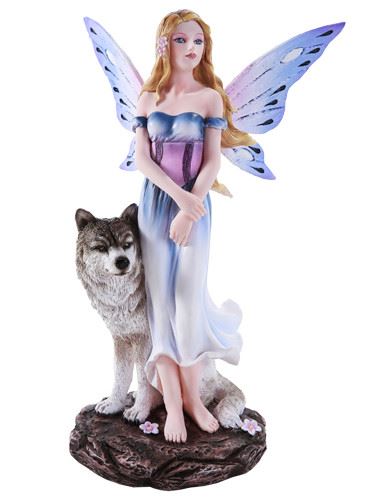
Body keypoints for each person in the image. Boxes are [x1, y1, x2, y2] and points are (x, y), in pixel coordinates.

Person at [133, 9, 255, 444]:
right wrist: (176, 198)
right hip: (155, 207)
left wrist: (190, 207)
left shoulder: (209, 99)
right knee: (160, 305)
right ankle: (173, 403)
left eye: (198, 41)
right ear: (164, 44)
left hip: (196, 209)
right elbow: (143, 159)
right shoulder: (148, 98)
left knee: (186, 300)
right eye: (181, 40)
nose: (191, 48)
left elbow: (212, 160)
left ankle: (193, 398)